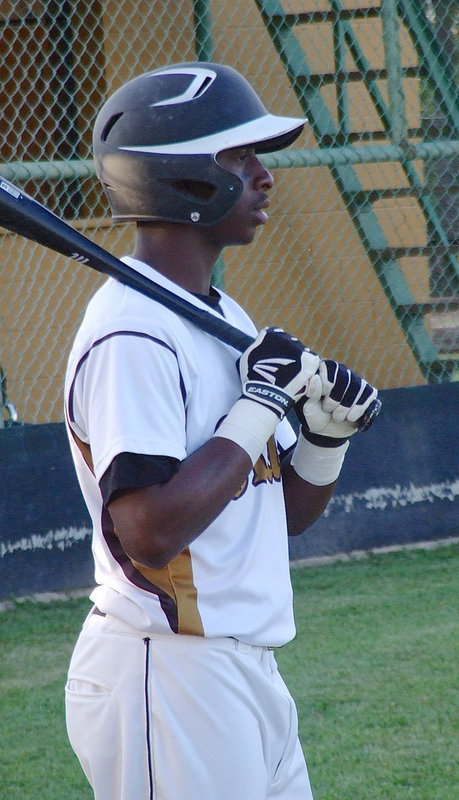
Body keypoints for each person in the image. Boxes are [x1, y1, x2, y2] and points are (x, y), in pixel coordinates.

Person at [64, 62, 378, 800]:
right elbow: (148, 531)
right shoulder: (131, 334)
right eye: (240, 157)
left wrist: (325, 439)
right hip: (168, 673)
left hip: (241, 669)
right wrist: (262, 400)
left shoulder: (223, 319)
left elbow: (276, 516)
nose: (264, 176)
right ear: (183, 180)